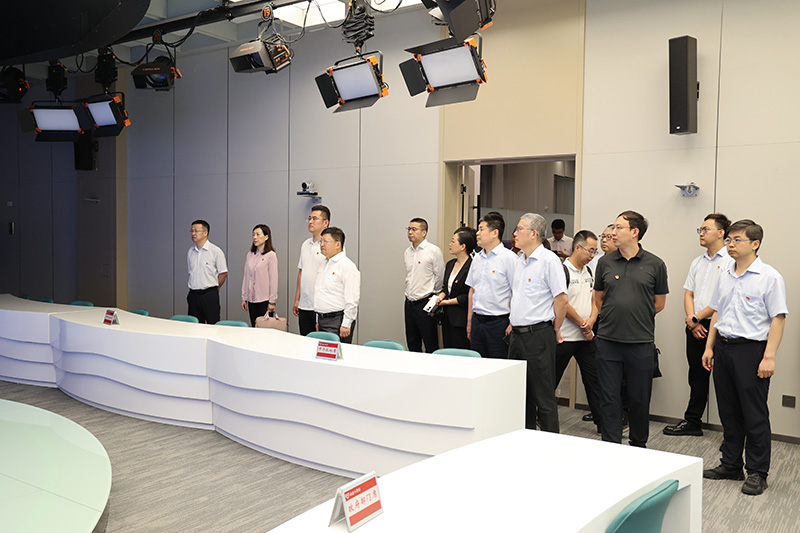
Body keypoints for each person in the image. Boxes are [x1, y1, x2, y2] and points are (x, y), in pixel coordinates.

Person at [702, 220, 787, 496]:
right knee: (728, 411)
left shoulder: (769, 277)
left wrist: (769, 357)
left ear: (755, 244)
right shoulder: (725, 273)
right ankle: (731, 464)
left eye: (737, 240)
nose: (730, 245)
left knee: (754, 414)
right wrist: (709, 347)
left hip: (752, 351)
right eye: (728, 240)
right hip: (723, 348)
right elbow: (717, 311)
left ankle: (757, 472)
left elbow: (778, 319)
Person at [593, 210, 668, 448]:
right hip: (608, 341)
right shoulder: (604, 262)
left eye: (618, 228)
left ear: (634, 232)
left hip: (640, 342)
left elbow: (659, 303)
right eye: (612, 228)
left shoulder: (655, 264)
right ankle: (610, 446)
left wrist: (634, 317)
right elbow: (598, 299)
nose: (612, 233)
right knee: (609, 398)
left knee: (639, 399)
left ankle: (638, 446)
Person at [664, 214, 731, 437]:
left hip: (720, 325)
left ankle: (732, 432)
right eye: (700, 229)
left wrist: (696, 318)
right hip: (695, 324)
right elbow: (689, 293)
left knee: (725, 381)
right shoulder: (697, 262)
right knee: (696, 376)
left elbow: (722, 299)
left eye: (706, 229)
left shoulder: (730, 261)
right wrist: (692, 320)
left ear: (721, 233)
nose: (701, 233)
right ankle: (693, 422)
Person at [507, 213, 567, 432]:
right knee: (520, 395)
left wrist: (556, 329)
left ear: (533, 234)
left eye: (519, 228)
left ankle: (551, 444)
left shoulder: (549, 260)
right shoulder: (518, 260)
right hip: (516, 336)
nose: (515, 233)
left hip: (539, 335)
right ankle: (526, 439)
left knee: (543, 396)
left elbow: (561, 299)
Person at [555, 230, 603, 434]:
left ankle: (603, 425)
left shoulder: (589, 271)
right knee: (552, 379)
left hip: (586, 338)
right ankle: (540, 417)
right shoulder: (562, 271)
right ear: (577, 247)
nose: (592, 255)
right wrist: (583, 323)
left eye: (594, 251)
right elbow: (562, 304)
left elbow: (595, 299)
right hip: (564, 337)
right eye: (590, 250)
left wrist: (591, 321)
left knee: (595, 381)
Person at [466, 213, 518, 359]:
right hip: (477, 321)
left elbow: (517, 292)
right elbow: (472, 290)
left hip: (499, 323)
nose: (477, 233)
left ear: (494, 233)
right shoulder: (477, 258)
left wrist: (512, 322)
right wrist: (469, 320)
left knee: (498, 364)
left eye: (481, 229)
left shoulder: (509, 258)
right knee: (478, 363)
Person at [404, 218, 445, 353]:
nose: (410, 232)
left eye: (414, 229)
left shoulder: (433, 251)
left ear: (424, 232)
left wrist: (434, 296)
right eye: (409, 229)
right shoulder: (407, 252)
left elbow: (440, 277)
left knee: (430, 343)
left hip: (426, 302)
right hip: (409, 303)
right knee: (412, 343)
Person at [314, 227, 360, 343]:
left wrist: (346, 324)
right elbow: (321, 293)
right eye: (321, 241)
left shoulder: (347, 266)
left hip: (337, 321)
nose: (322, 245)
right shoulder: (324, 264)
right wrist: (318, 320)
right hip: (322, 319)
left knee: (338, 353)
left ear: (338, 244)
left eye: (326, 241)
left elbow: (352, 298)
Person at [435, 227, 476, 349]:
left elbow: (467, 296)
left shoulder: (472, 266)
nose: (450, 244)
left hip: (461, 319)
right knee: (447, 349)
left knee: (460, 351)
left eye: (453, 241)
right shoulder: (450, 264)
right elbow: (446, 288)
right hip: (447, 317)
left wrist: (446, 302)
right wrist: (441, 296)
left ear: (463, 246)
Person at [294, 205, 330, 336]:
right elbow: (301, 273)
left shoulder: (330, 245)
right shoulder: (305, 244)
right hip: (304, 304)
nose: (310, 221)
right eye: (309, 218)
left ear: (325, 223)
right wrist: (297, 299)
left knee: (320, 342)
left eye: (315, 219)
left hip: (321, 306)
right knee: (305, 341)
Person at [187, 219, 228, 324]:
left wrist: (216, 288)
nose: (193, 233)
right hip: (193, 295)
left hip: (209, 295)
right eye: (191, 231)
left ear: (205, 233)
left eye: (196, 231)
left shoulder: (215, 251)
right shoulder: (190, 252)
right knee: (194, 326)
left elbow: (223, 273)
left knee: (212, 325)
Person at [241, 224, 278, 327]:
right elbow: (246, 276)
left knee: (264, 330)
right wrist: (244, 297)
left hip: (264, 300)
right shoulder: (250, 254)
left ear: (266, 237)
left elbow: (273, 279)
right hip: (251, 299)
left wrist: (272, 301)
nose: (255, 237)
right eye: (253, 235)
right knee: (254, 327)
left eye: (258, 234)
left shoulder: (271, 255)